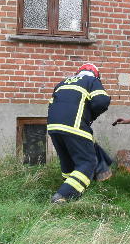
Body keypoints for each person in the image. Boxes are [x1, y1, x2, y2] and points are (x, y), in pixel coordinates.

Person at [47, 63, 111, 203]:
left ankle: (68, 192)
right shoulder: (92, 81)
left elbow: (51, 104)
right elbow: (102, 101)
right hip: (74, 125)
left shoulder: (61, 83)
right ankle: (63, 195)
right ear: (96, 75)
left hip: (53, 127)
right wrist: (90, 115)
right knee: (88, 162)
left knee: (68, 163)